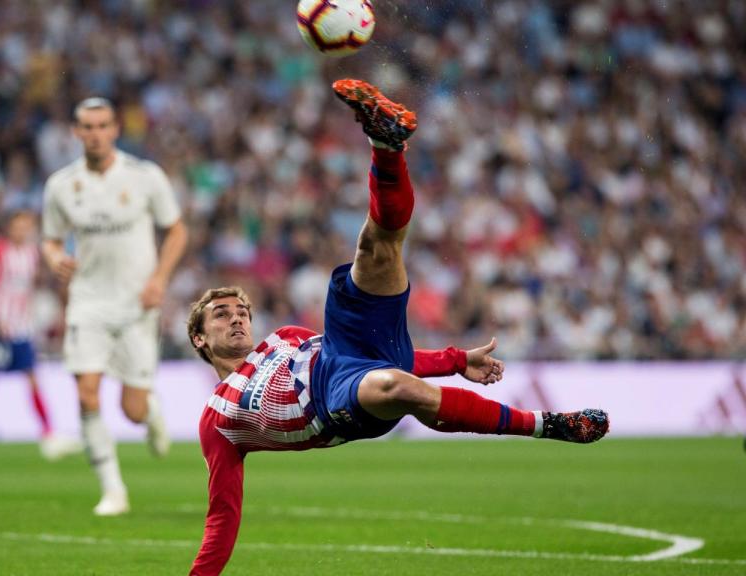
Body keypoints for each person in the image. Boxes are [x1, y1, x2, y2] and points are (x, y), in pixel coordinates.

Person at [184, 80, 610, 575]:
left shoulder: (284, 340)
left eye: (241, 310)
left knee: (375, 248)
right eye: (221, 314)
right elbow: (222, 517)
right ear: (199, 338)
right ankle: (548, 425)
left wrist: (454, 360)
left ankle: (387, 145)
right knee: (394, 386)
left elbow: (378, 353)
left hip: (340, 351)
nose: (237, 316)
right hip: (335, 402)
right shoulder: (218, 421)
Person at [42, 97, 189, 516]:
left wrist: (159, 279)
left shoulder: (145, 177)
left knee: (132, 409)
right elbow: (50, 239)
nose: (95, 133)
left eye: (102, 125)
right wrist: (55, 259)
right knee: (87, 392)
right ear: (76, 132)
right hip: (87, 302)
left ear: (115, 129)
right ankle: (113, 490)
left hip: (136, 304)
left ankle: (151, 410)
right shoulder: (61, 185)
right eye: (86, 126)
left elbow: (176, 232)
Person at [0, 210, 81, 462]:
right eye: (19, 226)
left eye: (27, 226)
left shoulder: (31, 254)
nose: (23, 231)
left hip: (22, 327)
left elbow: (30, 288)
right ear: (9, 228)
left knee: (33, 377)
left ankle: (48, 435)